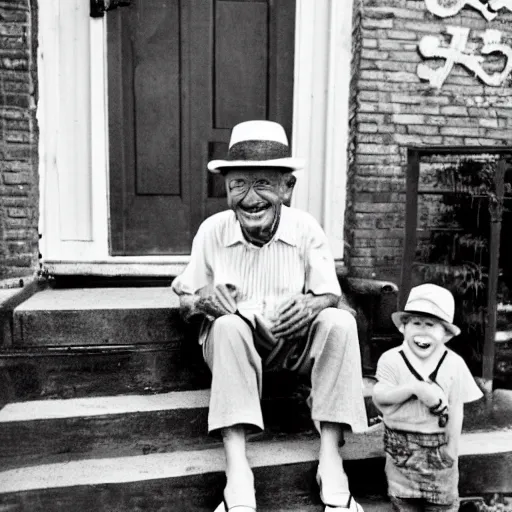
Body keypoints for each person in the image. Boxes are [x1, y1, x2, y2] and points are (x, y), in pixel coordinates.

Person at [171, 120, 368, 512]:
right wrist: (201, 301)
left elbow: (333, 295)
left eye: (263, 183)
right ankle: (237, 471)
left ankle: (331, 459)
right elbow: (185, 300)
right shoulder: (211, 231)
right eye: (238, 184)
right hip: (235, 351)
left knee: (340, 322)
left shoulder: (307, 229)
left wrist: (314, 305)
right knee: (226, 324)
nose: (249, 198)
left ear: (287, 188)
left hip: (292, 347)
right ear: (226, 188)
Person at [372, 283, 483, 512]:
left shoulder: (454, 364)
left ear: (445, 333)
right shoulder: (391, 360)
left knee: (441, 504)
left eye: (431, 325)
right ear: (404, 327)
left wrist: (452, 448)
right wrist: (415, 389)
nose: (422, 332)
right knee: (404, 502)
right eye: (416, 323)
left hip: (438, 447)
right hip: (400, 448)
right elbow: (380, 397)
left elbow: (456, 409)